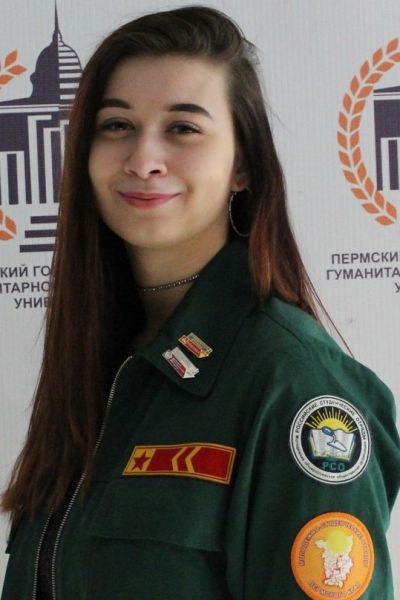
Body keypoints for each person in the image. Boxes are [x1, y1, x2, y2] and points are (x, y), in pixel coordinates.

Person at [1, 6, 400, 599]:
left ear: (243, 165)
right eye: (117, 125)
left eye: (183, 128)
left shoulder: (292, 386)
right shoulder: (104, 362)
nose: (143, 158)